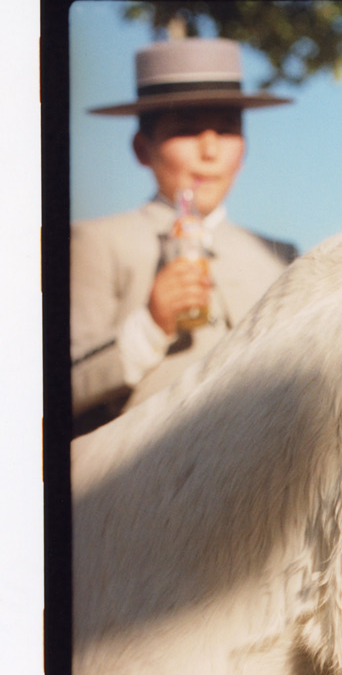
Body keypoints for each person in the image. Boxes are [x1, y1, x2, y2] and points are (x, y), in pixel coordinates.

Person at [71, 37, 298, 433]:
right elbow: (52, 387)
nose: (209, 150)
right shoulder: (98, 242)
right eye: (187, 130)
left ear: (243, 149)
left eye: (226, 130)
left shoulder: (278, 255)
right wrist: (151, 325)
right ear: (143, 148)